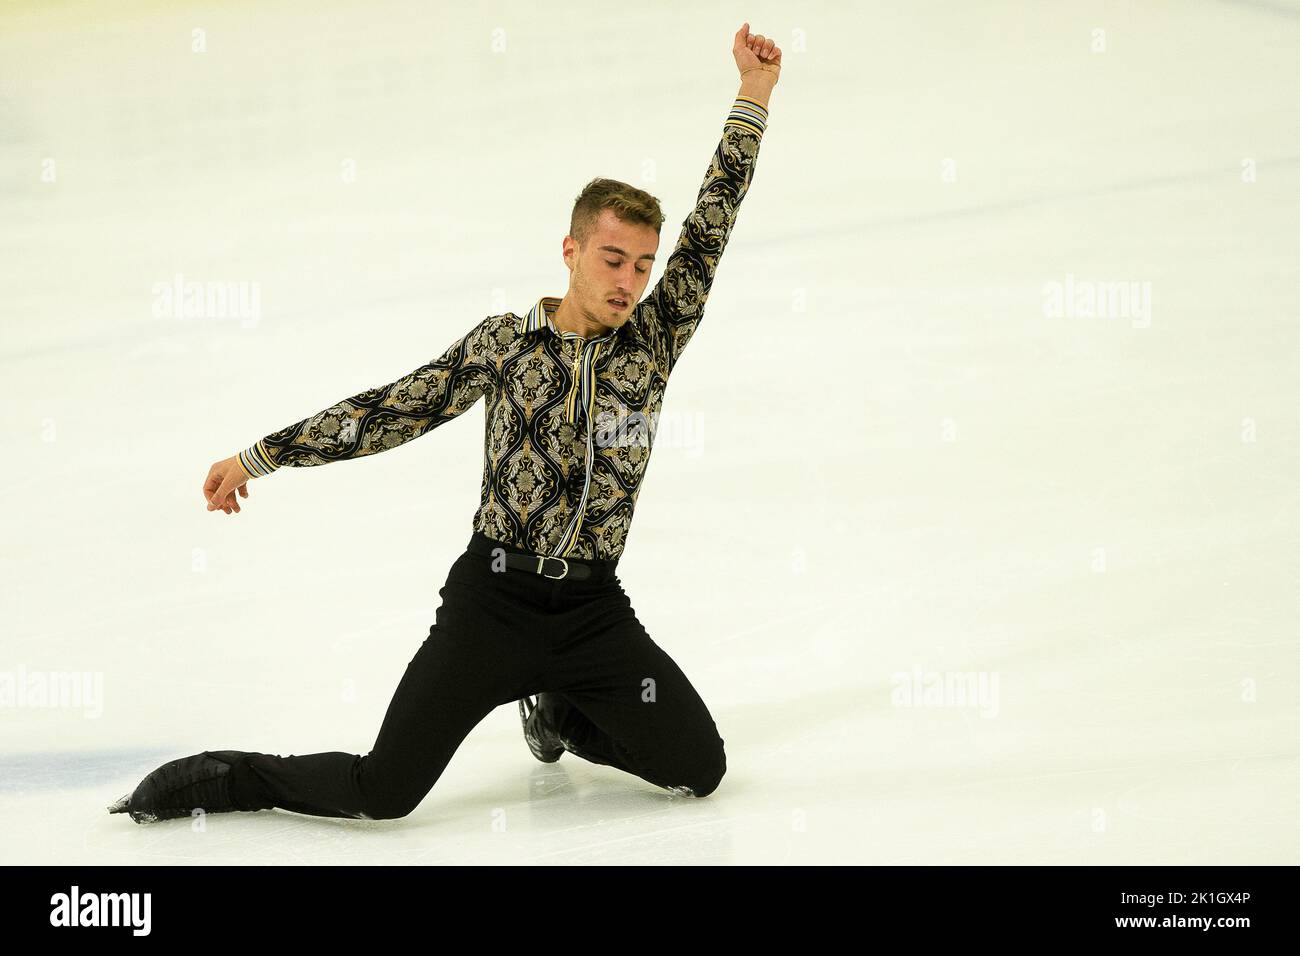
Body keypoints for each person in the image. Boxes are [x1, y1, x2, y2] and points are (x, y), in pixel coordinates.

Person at [110, 22, 780, 824]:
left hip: (596, 613)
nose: (630, 281)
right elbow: (395, 408)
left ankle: (560, 712)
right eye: (613, 259)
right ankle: (227, 778)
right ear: (570, 249)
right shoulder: (504, 344)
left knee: (698, 768)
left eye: (642, 264)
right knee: (384, 792)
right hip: (492, 608)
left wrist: (754, 92)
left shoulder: (654, 340)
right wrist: (263, 456)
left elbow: (711, 227)